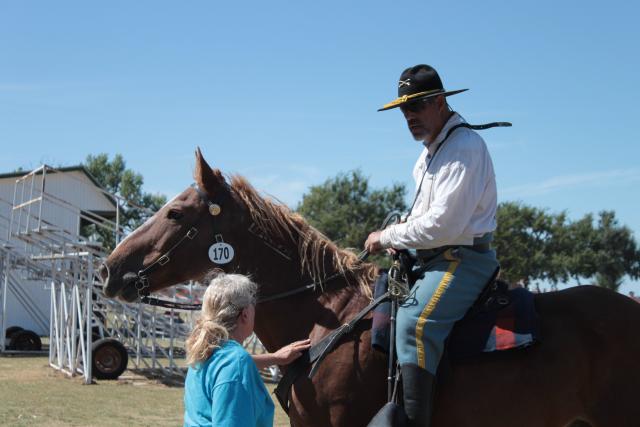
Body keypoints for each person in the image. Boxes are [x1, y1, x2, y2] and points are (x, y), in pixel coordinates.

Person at [364, 64, 502, 427]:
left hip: (463, 260)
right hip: (436, 258)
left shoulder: (464, 148)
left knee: (413, 323)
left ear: (440, 102)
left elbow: (444, 225)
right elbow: (428, 219)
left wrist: (388, 236)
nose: (409, 116)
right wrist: (402, 233)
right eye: (404, 110)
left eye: (418, 105)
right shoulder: (428, 155)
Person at [183, 273, 311, 427]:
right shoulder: (236, 361)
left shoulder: (204, 351)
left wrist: (277, 357)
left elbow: (228, 366)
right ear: (245, 314)